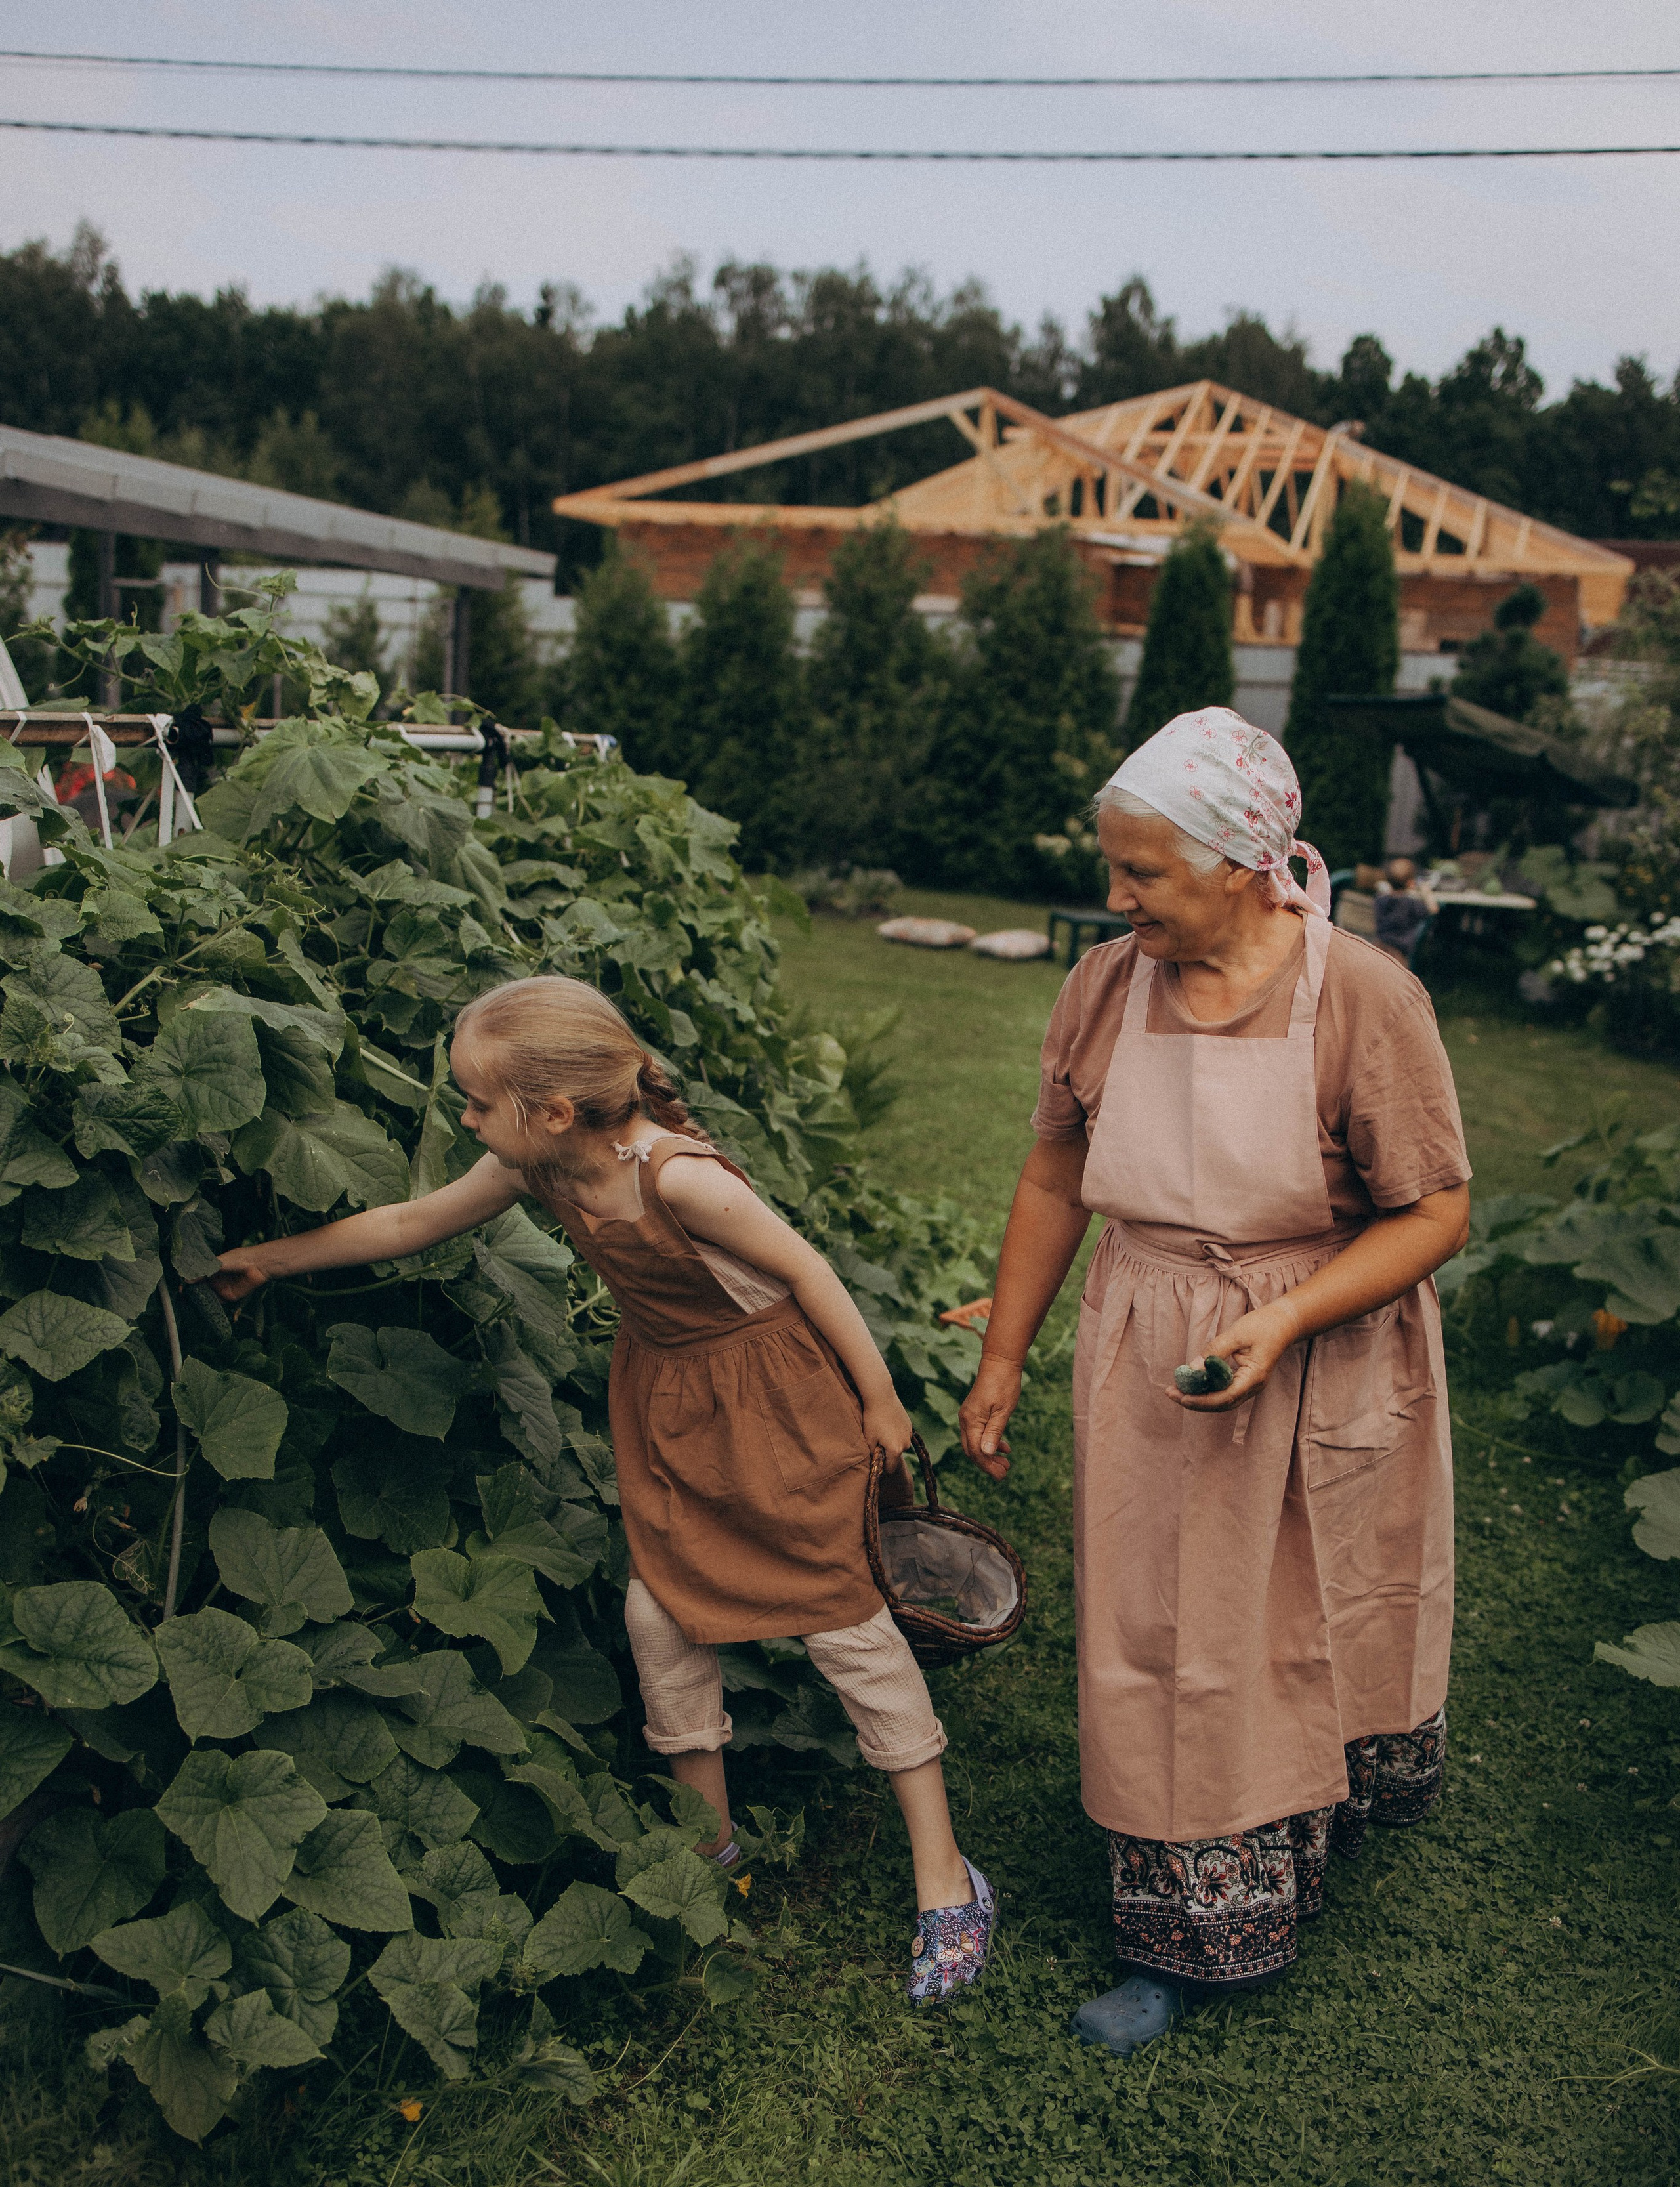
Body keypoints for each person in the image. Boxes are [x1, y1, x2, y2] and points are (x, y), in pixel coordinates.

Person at [205, 974, 992, 2005]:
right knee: (661, 1615)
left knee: (843, 1623)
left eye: (477, 1102)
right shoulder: (534, 1165)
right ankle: (709, 1852)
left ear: (553, 1111)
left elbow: (810, 1273)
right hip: (672, 1412)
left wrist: (882, 1403)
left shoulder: (678, 1179)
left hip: (774, 1411)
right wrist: (269, 1259)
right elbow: (410, 1221)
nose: (467, 1120)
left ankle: (947, 1876)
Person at [959, 708, 1469, 2057]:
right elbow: (1055, 1170)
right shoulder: (1102, 987)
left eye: (1143, 872)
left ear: (1246, 864)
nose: (1116, 896)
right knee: (1164, 1620)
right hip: (1151, 1343)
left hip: (1323, 1339)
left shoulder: (1363, 997)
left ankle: (1314, 1812)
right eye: (1113, 867)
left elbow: (1433, 1210)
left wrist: (1286, 1317)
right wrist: (1005, 1352)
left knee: (1312, 1598)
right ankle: (1184, 1921)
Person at [1372, 857, 1437, 965]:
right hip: (1400, 955)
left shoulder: (1381, 900)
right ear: (1411, 883)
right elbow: (1433, 909)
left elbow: (1384, 894)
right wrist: (1426, 892)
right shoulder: (1411, 904)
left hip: (1378, 948)